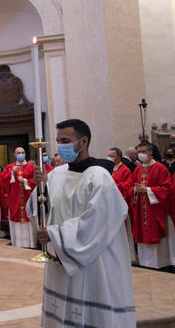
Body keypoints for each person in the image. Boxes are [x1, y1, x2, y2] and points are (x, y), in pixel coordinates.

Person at [36, 119, 135, 327]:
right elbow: (41, 209)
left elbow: (97, 222)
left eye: (65, 141)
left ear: (83, 142)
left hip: (94, 262)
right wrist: (41, 188)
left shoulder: (99, 177)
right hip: (61, 259)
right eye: (58, 141)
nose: (60, 147)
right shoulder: (55, 175)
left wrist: (54, 234)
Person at [131, 141, 172, 269]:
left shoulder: (160, 168)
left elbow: (167, 189)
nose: (141, 154)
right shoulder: (137, 169)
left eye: (143, 151)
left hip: (155, 209)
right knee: (142, 234)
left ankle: (160, 263)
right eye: (139, 152)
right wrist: (135, 190)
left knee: (155, 233)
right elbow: (131, 187)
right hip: (141, 209)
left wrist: (148, 190)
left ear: (151, 152)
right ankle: (145, 262)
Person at [0, 147, 37, 248]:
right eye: (18, 153)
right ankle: (18, 243)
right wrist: (11, 173)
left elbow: (36, 182)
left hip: (27, 199)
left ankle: (30, 244)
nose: (21, 154)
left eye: (22, 152)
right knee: (16, 221)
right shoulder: (9, 167)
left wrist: (25, 181)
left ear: (25, 154)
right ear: (15, 155)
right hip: (15, 199)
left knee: (29, 219)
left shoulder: (31, 167)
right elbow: (2, 181)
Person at [107, 147, 136, 261]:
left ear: (119, 157)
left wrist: (113, 185)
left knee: (123, 231)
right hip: (110, 205)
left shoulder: (125, 170)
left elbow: (127, 188)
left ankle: (127, 256)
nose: (109, 158)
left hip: (120, 205)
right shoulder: (109, 168)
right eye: (108, 156)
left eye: (111, 156)